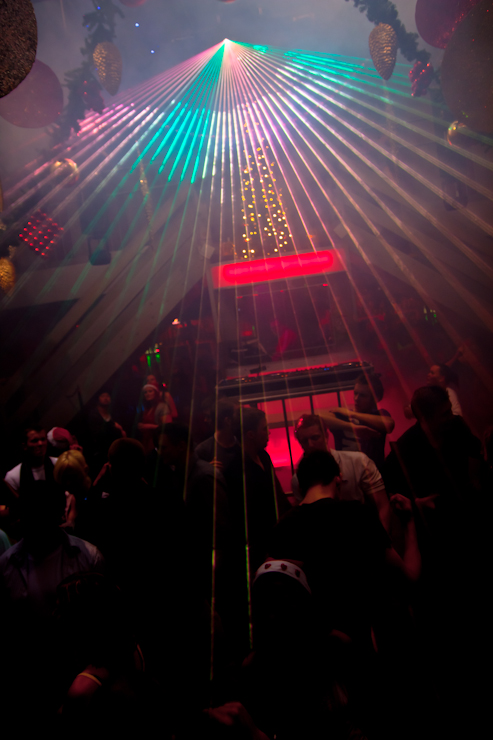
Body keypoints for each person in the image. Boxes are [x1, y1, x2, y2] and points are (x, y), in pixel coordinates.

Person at [269, 450, 420, 649]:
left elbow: (274, 597)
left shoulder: (283, 527)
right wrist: (409, 523)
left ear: (301, 485)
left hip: (307, 649)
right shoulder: (357, 516)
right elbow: (408, 578)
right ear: (338, 479)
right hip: (360, 641)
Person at [292, 414, 390, 532]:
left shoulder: (358, 462)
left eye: (315, 438)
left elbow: (382, 505)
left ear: (326, 436)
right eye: (304, 441)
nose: (310, 444)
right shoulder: (298, 479)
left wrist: (381, 538)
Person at [225, 407, 291, 575]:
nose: (268, 432)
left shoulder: (263, 456)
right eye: (264, 428)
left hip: (277, 536)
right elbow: (246, 517)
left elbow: (278, 495)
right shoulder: (236, 469)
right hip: (259, 548)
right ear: (250, 434)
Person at [320, 372, 394, 471]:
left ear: (375, 398)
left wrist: (352, 414)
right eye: (355, 393)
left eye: (362, 395)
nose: (356, 398)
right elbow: (319, 418)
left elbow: (389, 424)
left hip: (374, 473)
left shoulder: (378, 415)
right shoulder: (343, 415)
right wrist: (352, 427)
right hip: (346, 473)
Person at [83, 390, 126, 476]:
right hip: (102, 452)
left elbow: (121, 428)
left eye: (108, 396)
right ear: (98, 398)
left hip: (116, 448)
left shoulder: (113, 412)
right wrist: (113, 426)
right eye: (103, 396)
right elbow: (97, 433)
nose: (106, 398)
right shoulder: (94, 414)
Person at [4, 425, 58, 493]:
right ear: (25, 446)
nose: (40, 443)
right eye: (34, 441)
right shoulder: (13, 477)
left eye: (43, 439)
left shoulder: (59, 464)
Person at [195, 398, 240, 471]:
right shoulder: (203, 450)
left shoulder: (244, 443)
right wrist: (207, 470)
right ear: (228, 420)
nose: (243, 417)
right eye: (239, 414)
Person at [138, 384, 173, 455]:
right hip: (146, 440)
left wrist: (149, 426)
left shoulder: (162, 406)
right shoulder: (148, 408)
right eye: (145, 392)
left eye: (150, 391)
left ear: (156, 393)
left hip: (157, 441)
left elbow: (168, 427)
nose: (147, 394)